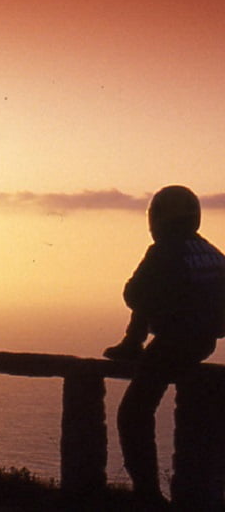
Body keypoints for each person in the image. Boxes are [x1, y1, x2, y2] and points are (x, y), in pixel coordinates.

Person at [104, 185, 225, 507]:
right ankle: (132, 343)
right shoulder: (211, 251)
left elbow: (134, 293)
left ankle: (147, 494)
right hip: (203, 341)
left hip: (174, 342)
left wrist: (165, 305)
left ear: (157, 218)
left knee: (132, 414)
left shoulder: (164, 250)